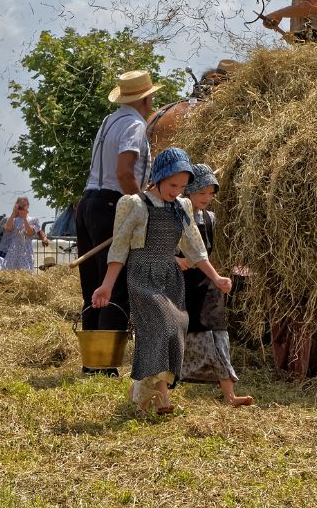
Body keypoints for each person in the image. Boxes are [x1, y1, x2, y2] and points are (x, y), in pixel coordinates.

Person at [91, 148, 234, 415]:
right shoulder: (134, 204)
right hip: (143, 275)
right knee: (163, 325)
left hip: (170, 276)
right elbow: (120, 249)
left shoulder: (183, 206)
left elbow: (195, 247)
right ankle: (161, 397)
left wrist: (215, 277)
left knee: (176, 327)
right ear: (158, 177)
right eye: (172, 185)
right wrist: (107, 285)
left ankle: (142, 390)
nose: (177, 191)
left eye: (182, 186)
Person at [76, 70, 160, 372]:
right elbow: (125, 170)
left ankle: (93, 362)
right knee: (116, 283)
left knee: (93, 285)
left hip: (88, 203)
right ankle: (106, 365)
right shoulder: (135, 125)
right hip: (113, 204)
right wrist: (140, 202)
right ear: (146, 99)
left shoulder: (109, 120)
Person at [178, 163, 253, 406]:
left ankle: (230, 396)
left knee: (219, 335)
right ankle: (160, 390)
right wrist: (176, 259)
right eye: (201, 193)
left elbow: (211, 255)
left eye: (210, 194)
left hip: (208, 284)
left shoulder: (210, 219)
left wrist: (220, 277)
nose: (206, 198)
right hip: (182, 286)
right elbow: (160, 247)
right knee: (181, 337)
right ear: (188, 191)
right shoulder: (175, 215)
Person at [0, 196, 48, 272]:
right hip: (13, 249)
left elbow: (30, 233)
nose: (22, 207)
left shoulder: (33, 219)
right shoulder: (12, 219)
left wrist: (24, 218)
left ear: (28, 206)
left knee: (26, 271)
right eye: (20, 205)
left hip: (26, 249)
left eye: (24, 205)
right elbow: (8, 228)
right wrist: (13, 213)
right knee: (10, 271)